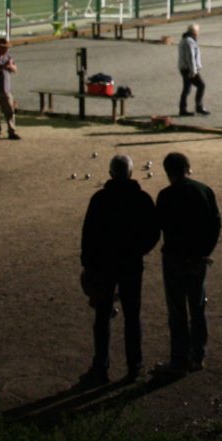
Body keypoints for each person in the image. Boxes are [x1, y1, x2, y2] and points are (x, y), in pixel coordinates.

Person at [79, 155, 160, 384]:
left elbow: (89, 234)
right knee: (132, 316)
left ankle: (101, 367)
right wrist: (139, 251)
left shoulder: (100, 199)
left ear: (110, 173)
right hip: (131, 264)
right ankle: (134, 367)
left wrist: (87, 265)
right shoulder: (142, 199)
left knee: (102, 317)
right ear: (131, 173)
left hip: (104, 265)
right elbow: (153, 233)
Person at [153, 152, 221, 377]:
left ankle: (179, 359)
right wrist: (205, 251)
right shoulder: (204, 190)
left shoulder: (165, 196)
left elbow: (158, 226)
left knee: (177, 310)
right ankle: (198, 355)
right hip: (197, 258)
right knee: (197, 306)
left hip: (174, 258)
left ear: (167, 172)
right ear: (187, 168)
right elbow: (215, 224)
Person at [177, 24, 208, 116]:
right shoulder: (189, 41)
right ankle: (198, 107)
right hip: (188, 69)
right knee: (201, 85)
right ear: (194, 32)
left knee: (187, 88)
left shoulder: (186, 39)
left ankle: (183, 109)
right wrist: (193, 71)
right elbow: (190, 57)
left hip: (185, 68)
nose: (199, 32)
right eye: (198, 31)